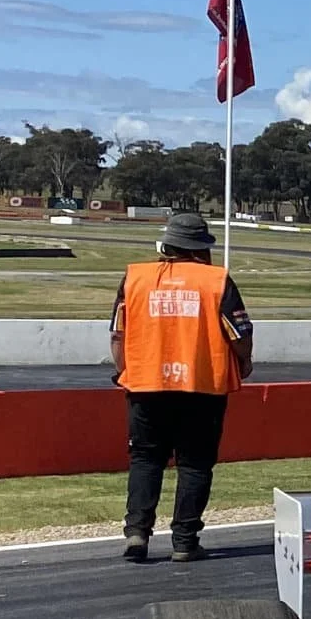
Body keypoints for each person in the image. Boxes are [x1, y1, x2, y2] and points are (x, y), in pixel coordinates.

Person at [109, 210, 253, 563]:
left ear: (167, 245)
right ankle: (185, 541)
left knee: (145, 459)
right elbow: (240, 334)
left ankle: (138, 533)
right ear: (202, 248)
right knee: (195, 464)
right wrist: (244, 363)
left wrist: (125, 371)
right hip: (202, 387)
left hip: (145, 384)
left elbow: (117, 334)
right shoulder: (217, 281)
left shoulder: (135, 278)